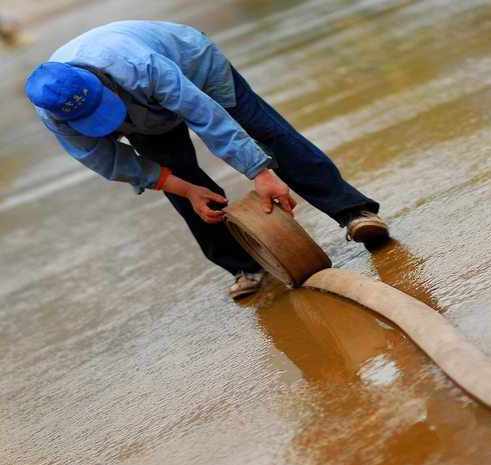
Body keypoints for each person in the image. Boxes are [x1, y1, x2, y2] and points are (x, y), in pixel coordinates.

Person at [25, 20, 389, 299]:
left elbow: (205, 115)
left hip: (195, 66)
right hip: (142, 113)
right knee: (179, 179)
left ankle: (354, 213)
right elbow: (107, 160)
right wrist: (184, 188)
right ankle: (245, 267)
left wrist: (260, 171)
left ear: (102, 83)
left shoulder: (139, 65)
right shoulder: (55, 113)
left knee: (268, 134)